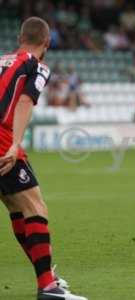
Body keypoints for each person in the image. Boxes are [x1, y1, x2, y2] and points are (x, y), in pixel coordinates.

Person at [0, 17, 87, 300]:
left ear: (19, 38)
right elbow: (25, 101)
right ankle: (48, 286)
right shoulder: (37, 65)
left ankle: (48, 277)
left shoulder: (2, 60)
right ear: (47, 43)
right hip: (2, 139)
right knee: (35, 206)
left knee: (17, 205)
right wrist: (15, 145)